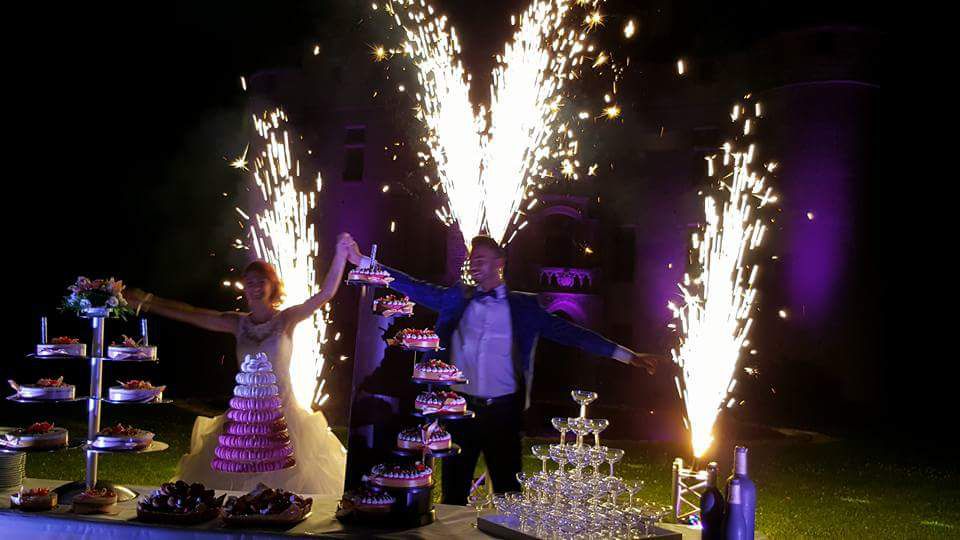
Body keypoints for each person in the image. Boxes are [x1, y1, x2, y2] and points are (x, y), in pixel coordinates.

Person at [346, 235, 660, 504]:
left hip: (505, 415)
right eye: (471, 258)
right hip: (460, 412)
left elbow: (573, 335)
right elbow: (415, 287)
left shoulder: (525, 307)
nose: (473, 263)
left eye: (481, 257)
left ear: (501, 262)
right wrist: (363, 261)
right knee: (453, 495)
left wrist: (628, 356)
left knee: (509, 494)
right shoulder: (457, 297)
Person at [123, 233, 358, 495]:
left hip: (283, 417)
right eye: (249, 282)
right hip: (243, 420)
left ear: (273, 286)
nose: (255, 287)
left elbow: (324, 295)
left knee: (287, 484)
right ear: (244, 287)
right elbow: (191, 314)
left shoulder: (286, 320)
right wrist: (148, 302)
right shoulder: (237, 323)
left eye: (261, 282)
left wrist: (340, 254)